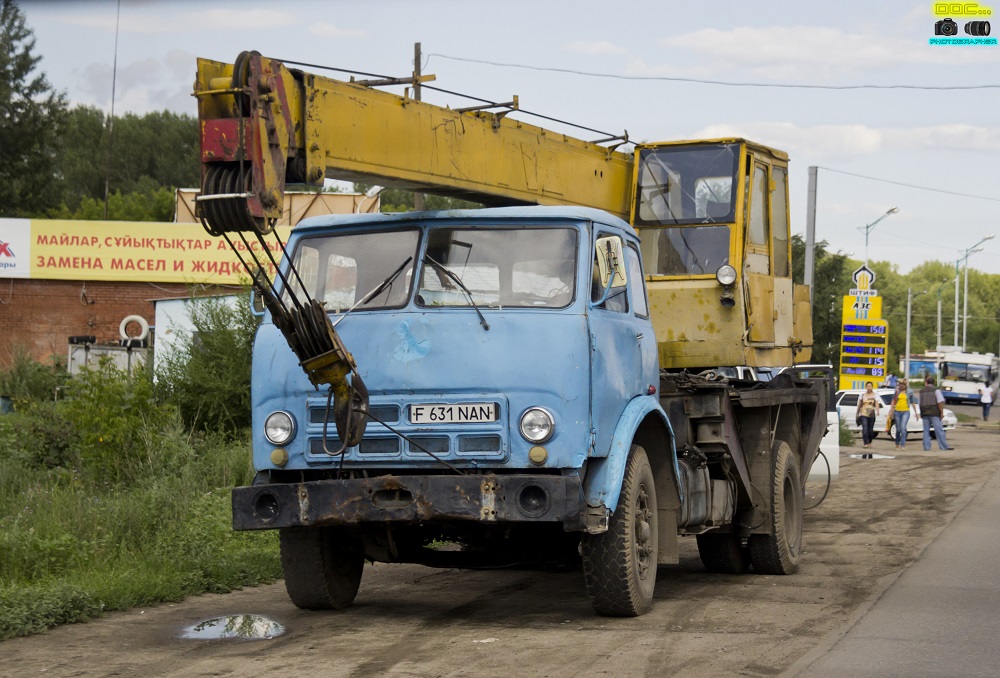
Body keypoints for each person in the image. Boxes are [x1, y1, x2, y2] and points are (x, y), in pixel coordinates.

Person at [918, 376, 954, 451]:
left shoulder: (921, 391)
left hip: (924, 412)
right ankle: (943, 446)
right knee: (939, 430)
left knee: (926, 431)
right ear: (933, 383)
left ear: (926, 382)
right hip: (934, 412)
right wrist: (941, 412)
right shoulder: (936, 390)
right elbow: (940, 402)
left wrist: (921, 412)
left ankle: (926, 447)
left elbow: (920, 403)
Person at [890, 379, 917, 450]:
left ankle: (903, 444)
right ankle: (897, 443)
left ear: (905, 385)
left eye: (903, 384)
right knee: (898, 429)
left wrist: (916, 412)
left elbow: (913, 402)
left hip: (906, 411)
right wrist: (891, 410)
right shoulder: (897, 391)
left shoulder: (910, 392)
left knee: (903, 427)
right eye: (900, 384)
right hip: (897, 411)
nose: (901, 386)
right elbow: (893, 401)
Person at [855, 381, 882, 449]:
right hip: (863, 414)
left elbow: (876, 403)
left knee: (870, 430)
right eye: (868, 386)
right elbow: (860, 404)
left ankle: (869, 441)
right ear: (866, 387)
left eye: (870, 386)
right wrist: (857, 412)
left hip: (871, 414)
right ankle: (865, 443)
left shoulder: (875, 395)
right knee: (865, 428)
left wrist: (878, 410)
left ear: (872, 387)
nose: (869, 388)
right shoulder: (863, 395)